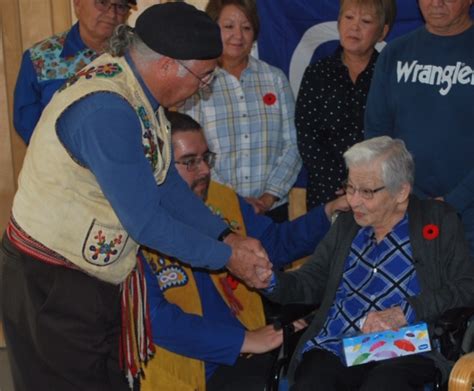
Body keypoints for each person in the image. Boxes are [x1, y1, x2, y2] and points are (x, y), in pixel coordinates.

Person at [0, 4, 272, 390]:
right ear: (167, 66)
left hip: (94, 277)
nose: (204, 88)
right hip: (52, 284)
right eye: (204, 77)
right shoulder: (105, 110)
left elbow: (163, 182)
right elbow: (146, 221)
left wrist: (225, 236)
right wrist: (230, 259)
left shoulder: (141, 91)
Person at [139, 111, 348, 391]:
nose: (204, 170)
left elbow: (272, 245)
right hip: (182, 366)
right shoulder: (136, 222)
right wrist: (247, 341)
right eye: (190, 162)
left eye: (206, 158)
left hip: (247, 352)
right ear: (158, 165)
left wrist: (329, 212)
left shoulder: (223, 199)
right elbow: (156, 320)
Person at [260, 136, 474, 391]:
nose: (353, 201)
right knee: (314, 381)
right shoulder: (346, 225)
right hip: (338, 345)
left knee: (384, 384)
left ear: (401, 192)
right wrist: (271, 280)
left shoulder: (438, 220)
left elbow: (465, 287)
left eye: (366, 192)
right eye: (350, 188)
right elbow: (311, 280)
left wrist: (405, 311)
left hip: (405, 348)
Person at [364, 0, 474, 259]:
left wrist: (454, 202)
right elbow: (377, 136)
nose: (436, 2)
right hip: (406, 213)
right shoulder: (395, 53)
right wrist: (404, 197)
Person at [181, 0, 301, 223]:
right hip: (215, 209)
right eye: (228, 26)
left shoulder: (274, 78)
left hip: (272, 210)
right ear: (212, 28)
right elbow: (192, 153)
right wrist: (232, 200)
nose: (238, 35)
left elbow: (293, 144)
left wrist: (267, 197)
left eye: (246, 27)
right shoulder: (196, 80)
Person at [295, 0, 395, 210]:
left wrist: (365, 184)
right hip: (326, 192)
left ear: (382, 32)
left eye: (366, 21)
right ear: (339, 23)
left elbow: (396, 135)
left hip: (378, 190)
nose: (355, 27)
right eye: (348, 18)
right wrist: (342, 184)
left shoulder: (391, 75)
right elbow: (308, 137)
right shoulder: (317, 73)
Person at [13, 0, 137, 144]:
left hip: (128, 158)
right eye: (102, 2)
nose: (112, 14)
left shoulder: (140, 56)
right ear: (77, 4)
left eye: (120, 6)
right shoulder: (40, 59)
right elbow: (27, 126)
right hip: (61, 162)